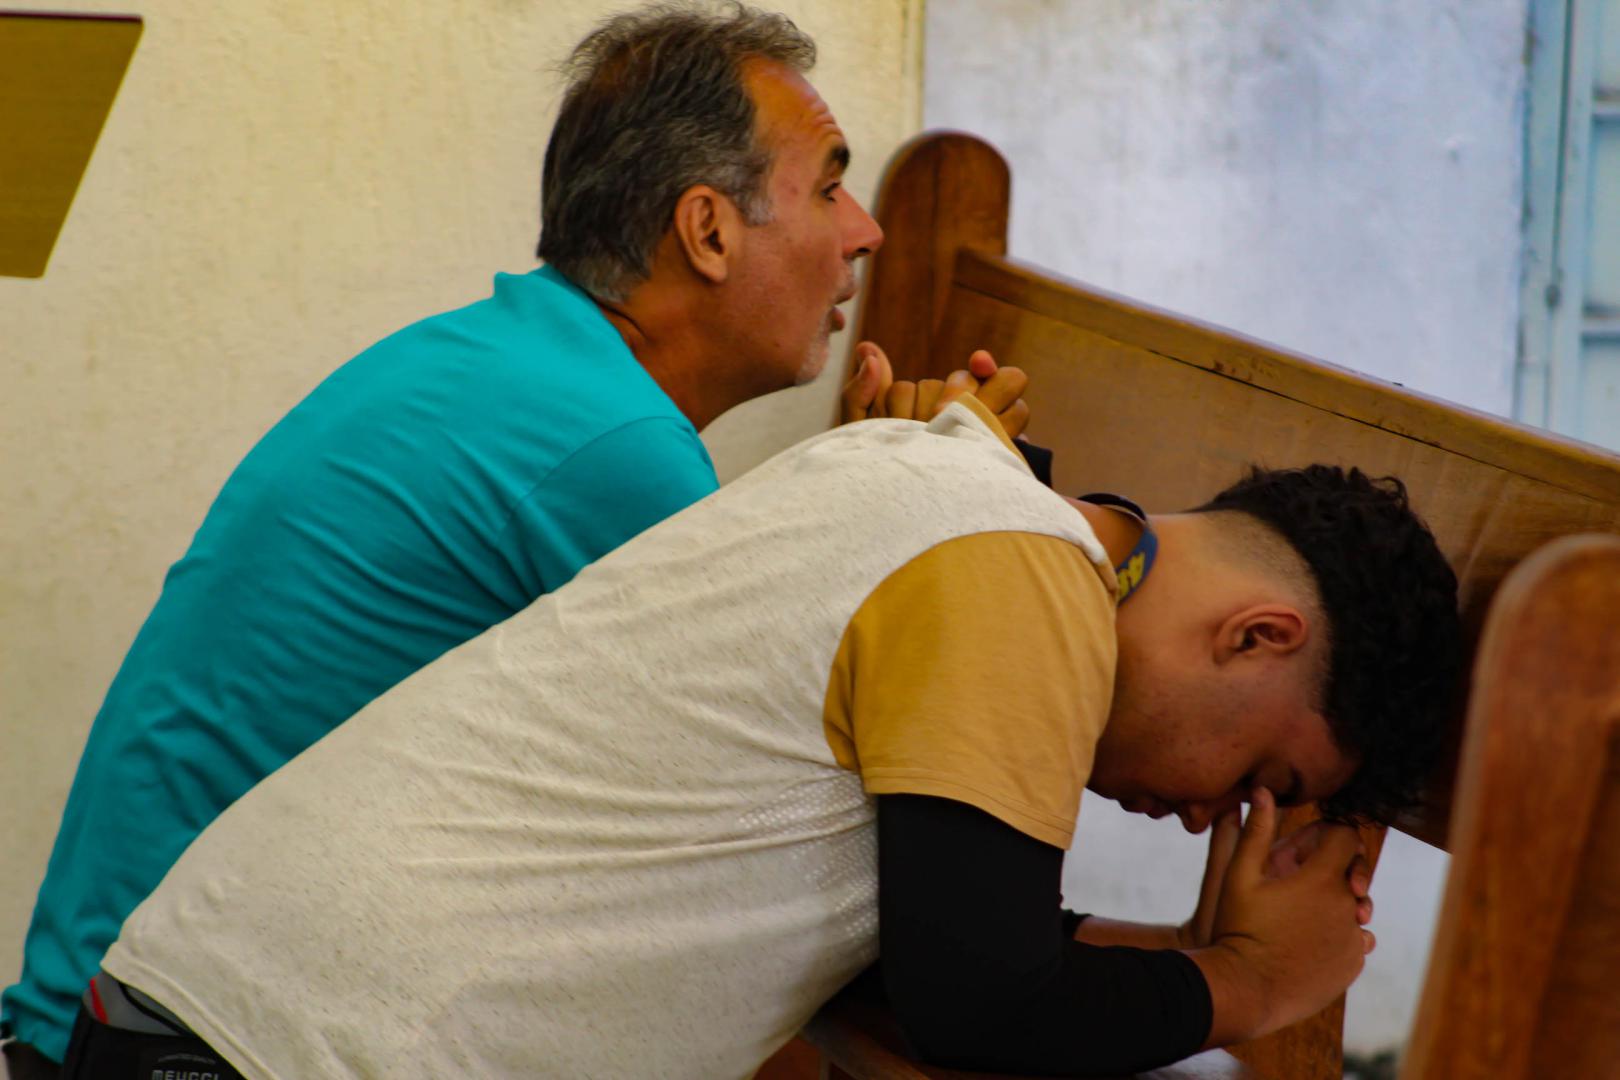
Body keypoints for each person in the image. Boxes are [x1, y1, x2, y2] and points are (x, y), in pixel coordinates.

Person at [1, 6, 1028, 1075]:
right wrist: (926, 497)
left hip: (108, 1020)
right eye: (827, 188)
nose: (864, 231)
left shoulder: (521, 364)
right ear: (709, 232)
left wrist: (879, 492)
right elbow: (779, 826)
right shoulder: (610, 447)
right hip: (180, 1045)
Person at [60, 392, 1461, 1079]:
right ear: (1256, 635)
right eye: (1263, 778)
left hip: (200, 1019)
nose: (1217, 819)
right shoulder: (1028, 583)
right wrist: (1244, 989)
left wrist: (1173, 953)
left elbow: (922, 941)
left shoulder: (948, 480)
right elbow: (981, 1002)